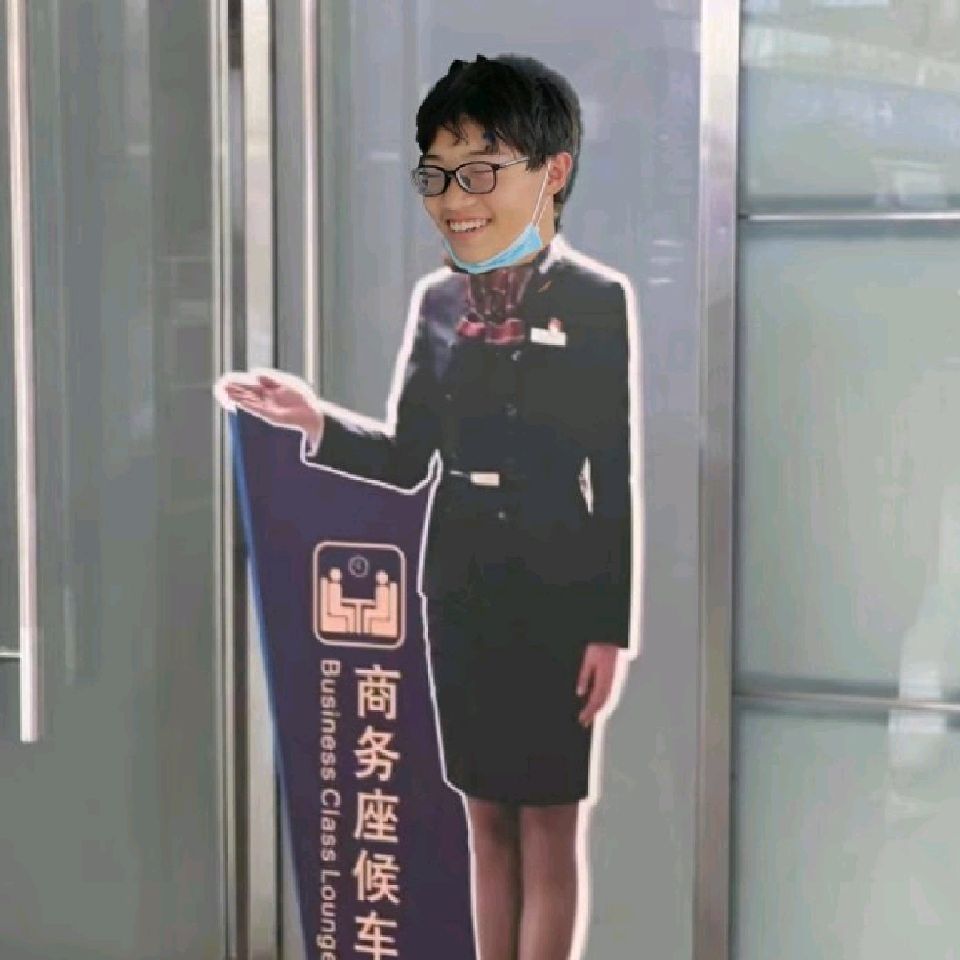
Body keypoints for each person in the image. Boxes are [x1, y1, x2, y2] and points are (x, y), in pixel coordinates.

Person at [217, 53, 641, 960]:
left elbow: (612, 475)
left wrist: (610, 629)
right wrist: (314, 418)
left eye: (479, 170)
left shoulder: (597, 300)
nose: (456, 196)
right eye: (440, 174)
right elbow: (409, 459)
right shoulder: (438, 302)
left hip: (558, 588)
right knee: (484, 820)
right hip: (460, 587)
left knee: (549, 825)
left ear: (551, 171)